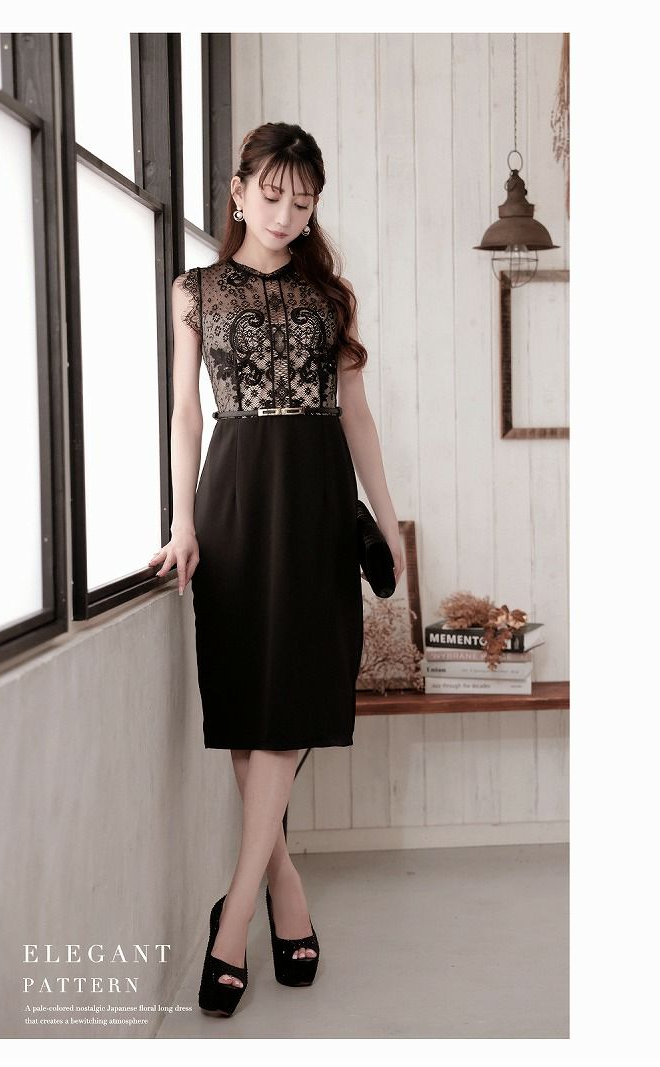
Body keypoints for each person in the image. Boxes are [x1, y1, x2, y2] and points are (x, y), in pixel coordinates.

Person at [148, 121, 404, 1016]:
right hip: (234, 501)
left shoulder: (331, 296)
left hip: (317, 502)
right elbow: (186, 414)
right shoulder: (195, 291)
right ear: (237, 190)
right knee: (249, 699)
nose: (286, 213)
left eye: (303, 201)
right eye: (272, 195)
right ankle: (282, 887)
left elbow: (357, 414)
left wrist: (389, 521)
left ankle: (233, 922)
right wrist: (182, 521)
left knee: (291, 696)